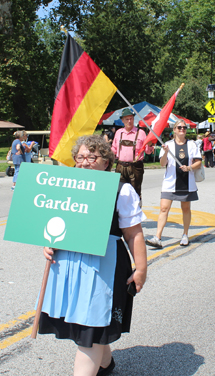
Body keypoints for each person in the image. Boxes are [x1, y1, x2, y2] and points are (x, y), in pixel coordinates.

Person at [39, 135, 147, 376]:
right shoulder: (67, 187)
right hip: (71, 265)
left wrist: (141, 269)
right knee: (89, 325)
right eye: (80, 157)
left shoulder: (122, 190)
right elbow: (55, 223)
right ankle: (106, 365)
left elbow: (133, 234)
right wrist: (48, 243)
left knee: (91, 329)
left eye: (92, 156)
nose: (85, 162)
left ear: (106, 162)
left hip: (104, 266)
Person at [146, 120, 202, 248]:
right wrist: (165, 152)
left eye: (184, 127)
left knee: (186, 209)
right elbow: (162, 163)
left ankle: (185, 234)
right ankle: (157, 237)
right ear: (174, 130)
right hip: (170, 182)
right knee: (164, 208)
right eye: (179, 127)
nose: (182, 129)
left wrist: (189, 168)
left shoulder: (192, 145)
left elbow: (198, 162)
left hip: (186, 182)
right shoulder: (167, 144)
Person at [111, 108, 154, 199]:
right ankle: (119, 212)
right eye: (127, 119)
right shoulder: (119, 133)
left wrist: (150, 145)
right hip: (120, 166)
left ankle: (136, 211)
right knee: (119, 193)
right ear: (122, 120)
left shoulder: (141, 133)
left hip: (136, 167)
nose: (129, 121)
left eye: (131, 118)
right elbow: (114, 149)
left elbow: (148, 151)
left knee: (135, 193)